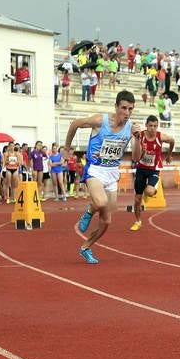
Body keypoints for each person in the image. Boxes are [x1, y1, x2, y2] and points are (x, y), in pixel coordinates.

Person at [65, 90, 139, 264]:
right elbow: (75, 124)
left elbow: (136, 158)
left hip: (112, 172)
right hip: (95, 169)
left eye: (130, 109)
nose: (127, 113)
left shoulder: (132, 128)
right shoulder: (101, 120)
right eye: (124, 108)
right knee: (101, 202)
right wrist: (67, 148)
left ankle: (86, 247)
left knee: (107, 221)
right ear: (116, 107)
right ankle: (90, 211)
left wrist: (139, 139)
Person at [130, 115, 175, 231]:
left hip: (153, 169)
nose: (152, 128)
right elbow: (135, 157)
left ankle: (149, 188)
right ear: (146, 126)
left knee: (149, 192)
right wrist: (142, 152)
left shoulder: (161, 137)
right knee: (137, 199)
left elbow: (172, 141)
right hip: (141, 168)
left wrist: (169, 154)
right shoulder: (140, 137)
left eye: (155, 126)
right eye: (150, 126)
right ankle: (138, 221)